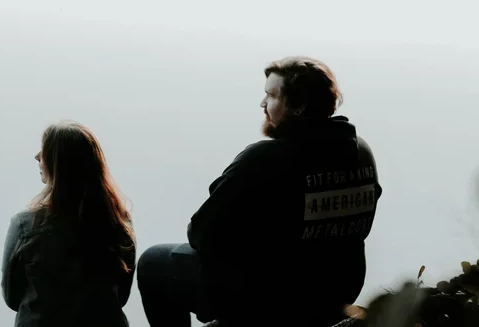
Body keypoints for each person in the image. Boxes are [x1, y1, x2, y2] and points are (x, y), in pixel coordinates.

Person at [137, 57, 381, 327]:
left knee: (154, 262)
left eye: (272, 95)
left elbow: (201, 233)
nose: (263, 104)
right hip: (337, 292)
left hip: (274, 300)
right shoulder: (361, 152)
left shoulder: (265, 158)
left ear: (299, 106)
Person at [1, 121, 137, 327]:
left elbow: (12, 298)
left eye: (45, 151)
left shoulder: (24, 225)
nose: (37, 156)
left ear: (59, 164)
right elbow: (121, 296)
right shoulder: (119, 221)